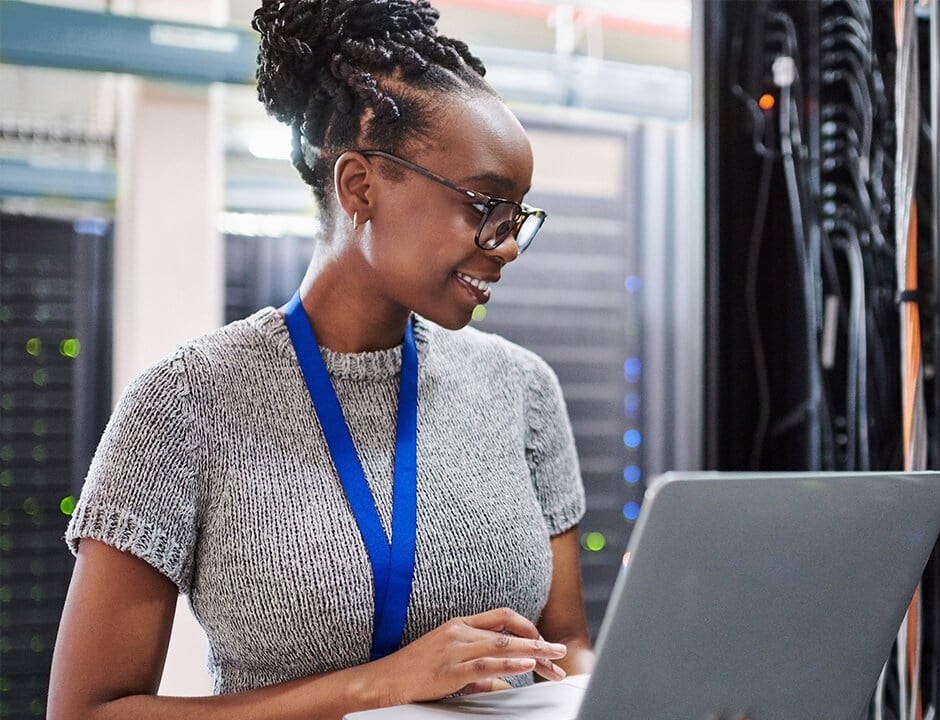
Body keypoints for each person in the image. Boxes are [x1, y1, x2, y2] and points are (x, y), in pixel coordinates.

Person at [48, 1, 595, 718]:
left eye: (519, 213)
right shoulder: (187, 402)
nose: (509, 242)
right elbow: (88, 711)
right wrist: (378, 685)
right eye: (485, 204)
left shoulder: (522, 390)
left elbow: (567, 647)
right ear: (360, 187)